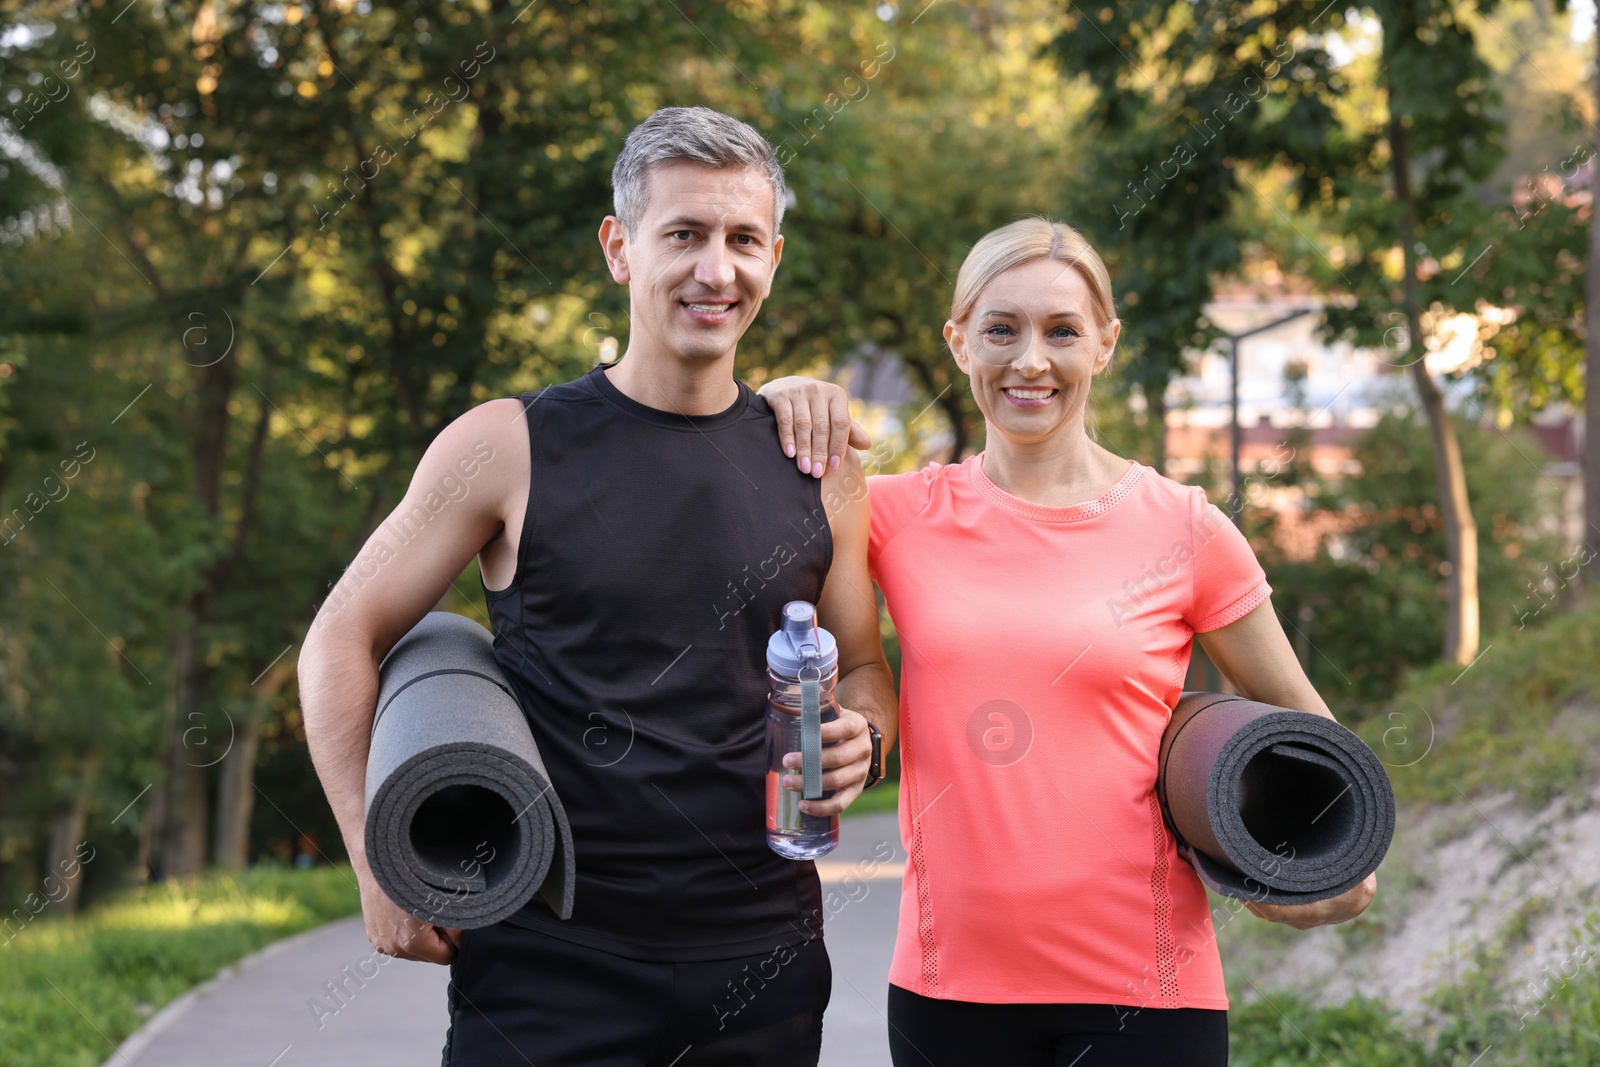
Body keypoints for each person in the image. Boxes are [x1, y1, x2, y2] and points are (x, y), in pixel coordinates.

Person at [297, 106, 899, 1067]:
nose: (718, 269)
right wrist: (377, 866)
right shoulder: (506, 445)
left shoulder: (820, 467)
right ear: (620, 249)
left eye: (744, 239)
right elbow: (341, 636)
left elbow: (864, 664)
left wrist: (863, 736)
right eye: (685, 234)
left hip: (764, 959)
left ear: (774, 257)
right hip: (548, 963)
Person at [757, 217, 1377, 1066]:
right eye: (1001, 329)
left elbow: (1315, 738)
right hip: (950, 989)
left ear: (1106, 344)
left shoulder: (1186, 528)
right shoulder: (893, 514)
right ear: (959, 341)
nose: (1031, 361)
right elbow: (750, 481)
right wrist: (790, 392)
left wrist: (1317, 869)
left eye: (1062, 331)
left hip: (1148, 992)